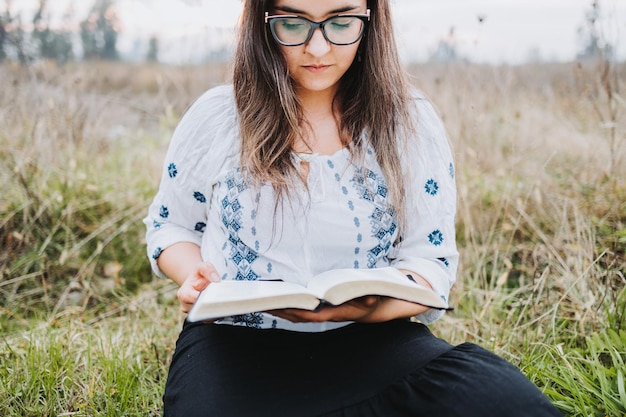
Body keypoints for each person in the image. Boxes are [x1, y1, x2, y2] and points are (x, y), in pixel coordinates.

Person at [144, 0, 562, 416]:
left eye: (341, 22)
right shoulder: (218, 117)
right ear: (261, 22)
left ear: (371, 19)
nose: (319, 49)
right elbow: (171, 227)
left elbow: (431, 264)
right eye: (293, 23)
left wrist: (367, 306)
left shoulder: (408, 122)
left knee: (505, 401)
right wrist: (194, 274)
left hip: (375, 342)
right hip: (234, 344)